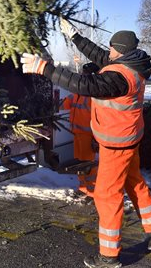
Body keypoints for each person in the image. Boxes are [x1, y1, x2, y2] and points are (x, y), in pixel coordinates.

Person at [21, 19, 151, 268]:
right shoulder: (131, 64)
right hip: (128, 140)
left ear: (121, 51)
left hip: (116, 146)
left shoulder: (119, 78)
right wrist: (75, 36)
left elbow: (84, 85)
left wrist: (44, 69)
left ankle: (109, 257)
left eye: (112, 48)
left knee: (106, 196)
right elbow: (100, 55)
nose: (108, 52)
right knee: (134, 182)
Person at [59, 62, 100, 201]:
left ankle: (93, 192)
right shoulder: (78, 92)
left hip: (89, 136)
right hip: (77, 134)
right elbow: (64, 104)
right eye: (82, 74)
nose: (82, 77)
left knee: (89, 165)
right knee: (80, 163)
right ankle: (83, 188)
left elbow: (99, 118)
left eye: (85, 75)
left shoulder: (95, 96)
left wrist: (96, 139)